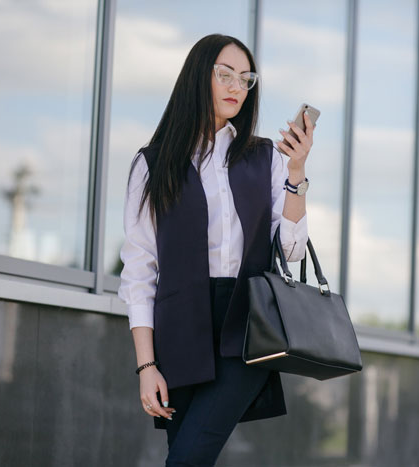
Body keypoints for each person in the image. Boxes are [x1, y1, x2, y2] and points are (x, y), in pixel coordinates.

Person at [118, 33, 314, 466]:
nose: (236, 88)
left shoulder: (265, 158)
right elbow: (139, 272)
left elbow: (292, 249)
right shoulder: (153, 165)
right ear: (197, 77)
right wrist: (146, 367)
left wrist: (296, 174)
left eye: (245, 79)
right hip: (179, 329)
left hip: (244, 328)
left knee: (188, 458)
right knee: (185, 455)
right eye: (225, 75)